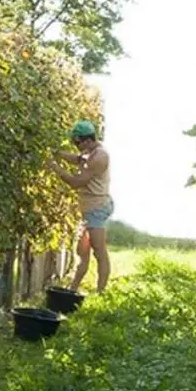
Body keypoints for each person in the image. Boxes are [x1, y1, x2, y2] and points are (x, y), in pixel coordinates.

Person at [48, 120, 113, 293]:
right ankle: (72, 289)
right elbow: (77, 159)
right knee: (82, 251)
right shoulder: (90, 151)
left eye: (77, 143)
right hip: (89, 209)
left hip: (96, 209)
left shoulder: (99, 157)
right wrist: (58, 153)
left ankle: (101, 293)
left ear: (87, 140)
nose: (77, 147)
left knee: (99, 252)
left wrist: (56, 168)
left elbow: (76, 183)